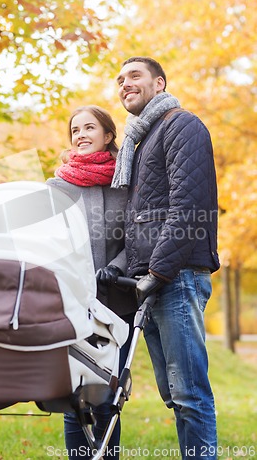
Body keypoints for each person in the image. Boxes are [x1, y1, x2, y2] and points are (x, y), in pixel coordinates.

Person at [111, 57, 220, 460]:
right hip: (151, 280)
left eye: (134, 76)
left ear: (159, 83)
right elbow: (140, 221)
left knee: (190, 394)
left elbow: (187, 205)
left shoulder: (180, 125)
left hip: (176, 276)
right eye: (120, 80)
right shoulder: (140, 142)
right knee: (174, 394)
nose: (125, 84)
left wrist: (158, 271)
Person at [47, 105, 138, 460]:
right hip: (72, 302)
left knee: (108, 398)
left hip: (117, 301)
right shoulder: (57, 186)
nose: (81, 135)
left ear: (108, 135)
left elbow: (136, 238)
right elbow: (47, 241)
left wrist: (116, 266)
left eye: (90, 128)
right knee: (76, 395)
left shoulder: (126, 183)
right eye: (75, 130)